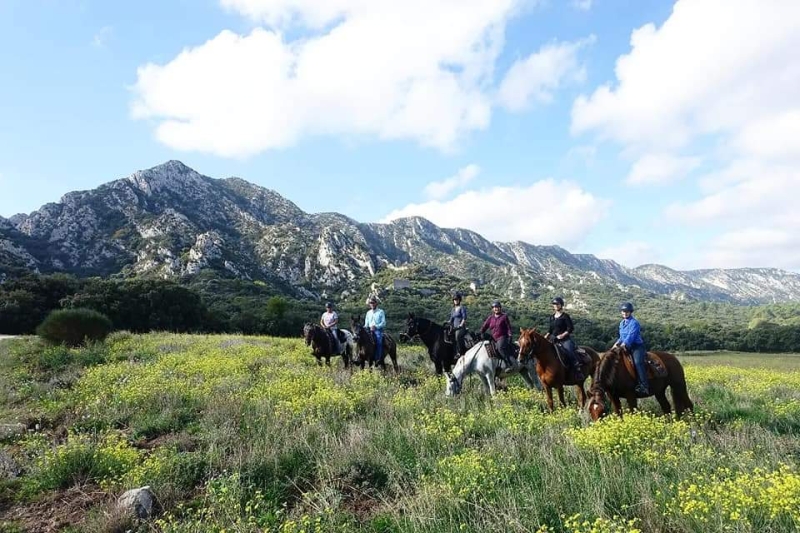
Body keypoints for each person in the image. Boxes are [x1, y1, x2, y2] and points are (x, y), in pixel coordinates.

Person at [614, 302, 649, 396]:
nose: (625, 313)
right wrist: (615, 345)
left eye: (627, 311)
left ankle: (644, 386)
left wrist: (623, 345)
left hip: (636, 346)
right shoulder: (621, 323)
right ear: (621, 312)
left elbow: (631, 336)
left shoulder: (634, 323)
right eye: (623, 311)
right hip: (625, 346)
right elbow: (621, 337)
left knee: (638, 362)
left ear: (630, 312)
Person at [546, 297, 583, 381]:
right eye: (554, 304)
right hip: (553, 339)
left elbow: (570, 328)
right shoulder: (551, 317)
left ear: (561, 305)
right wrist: (545, 337)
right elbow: (550, 330)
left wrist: (562, 335)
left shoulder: (565, 316)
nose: (555, 306)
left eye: (557, 304)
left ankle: (578, 370)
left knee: (570, 351)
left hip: (564, 339)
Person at [479, 300, 517, 371]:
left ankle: (509, 364)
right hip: (493, 338)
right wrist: (481, 332)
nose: (496, 308)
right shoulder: (490, 318)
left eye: (497, 307)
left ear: (500, 308)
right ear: (493, 309)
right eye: (494, 307)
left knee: (500, 348)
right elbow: (484, 326)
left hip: (502, 337)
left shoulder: (504, 317)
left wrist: (510, 335)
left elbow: (509, 328)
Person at [364, 296, 386, 363]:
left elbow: (383, 322)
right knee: (360, 339)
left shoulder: (381, 312)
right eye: (370, 303)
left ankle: (378, 358)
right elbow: (366, 324)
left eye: (373, 303)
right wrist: (363, 328)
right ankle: (359, 357)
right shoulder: (368, 313)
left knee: (379, 341)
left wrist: (376, 326)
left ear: (376, 303)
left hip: (378, 330)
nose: (372, 304)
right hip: (369, 330)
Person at [449, 291, 467, 356]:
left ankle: (461, 352)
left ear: (459, 300)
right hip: (454, 327)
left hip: (461, 327)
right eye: (454, 300)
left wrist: (461, 325)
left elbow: (464, 318)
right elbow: (451, 319)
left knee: (457, 337)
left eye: (457, 299)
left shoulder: (462, 308)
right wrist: (447, 323)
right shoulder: (453, 309)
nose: (455, 301)